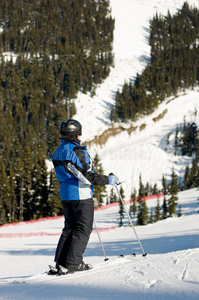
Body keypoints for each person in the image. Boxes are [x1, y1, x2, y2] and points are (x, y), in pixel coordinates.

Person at [50, 119, 119, 275]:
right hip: (80, 195)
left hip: (66, 195)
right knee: (82, 229)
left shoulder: (59, 151)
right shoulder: (77, 151)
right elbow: (85, 176)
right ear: (76, 134)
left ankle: (61, 262)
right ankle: (73, 263)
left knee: (69, 228)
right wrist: (107, 180)